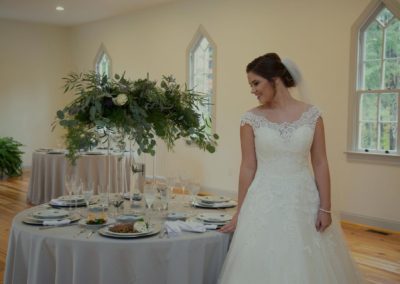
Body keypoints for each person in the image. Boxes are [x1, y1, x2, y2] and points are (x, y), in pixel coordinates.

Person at [218, 53, 363, 283]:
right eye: (250, 85)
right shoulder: (250, 119)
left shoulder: (312, 115)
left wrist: (325, 208)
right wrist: (240, 210)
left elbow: (320, 162)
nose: (253, 90)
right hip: (263, 202)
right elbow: (247, 166)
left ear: (275, 78)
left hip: (303, 200)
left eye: (256, 83)